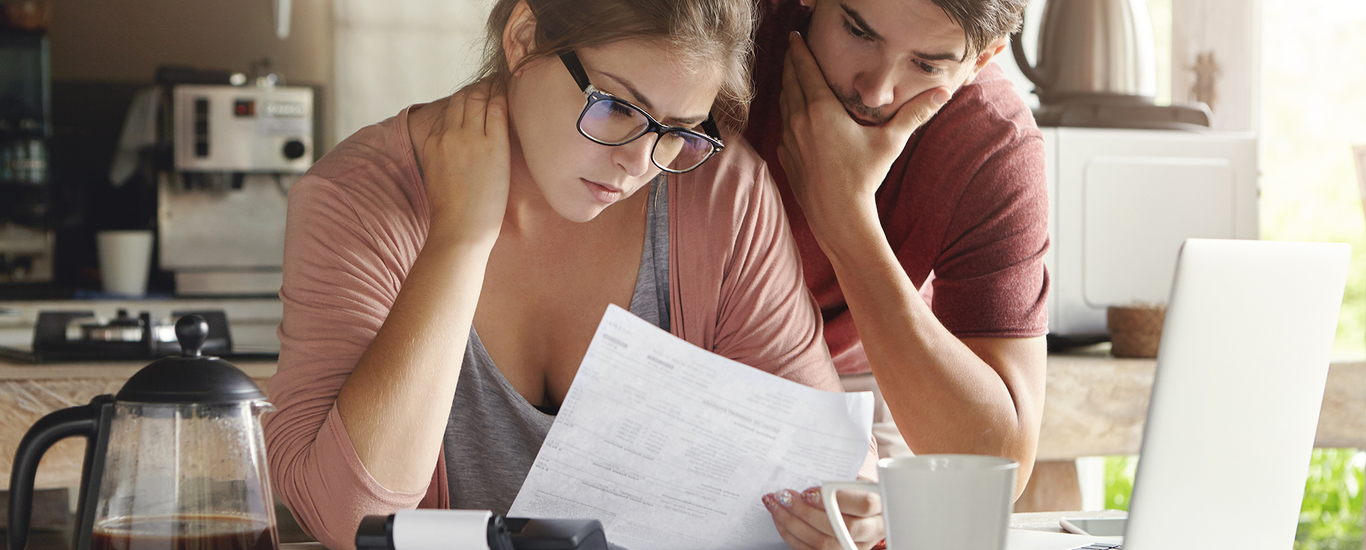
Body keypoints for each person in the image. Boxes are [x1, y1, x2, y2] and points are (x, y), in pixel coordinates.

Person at [262, 1, 883, 549]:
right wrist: (459, 240)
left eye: (679, 131)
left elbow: (824, 464)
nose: (639, 162)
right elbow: (349, 518)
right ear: (524, 38)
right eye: (615, 106)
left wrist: (849, 508)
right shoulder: (357, 199)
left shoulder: (719, 192)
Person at [747, 0, 1050, 546]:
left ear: (982, 60)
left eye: (928, 65)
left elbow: (996, 467)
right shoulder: (724, 34)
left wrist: (846, 216)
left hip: (863, 381)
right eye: (858, 32)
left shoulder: (992, 141)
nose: (875, 90)